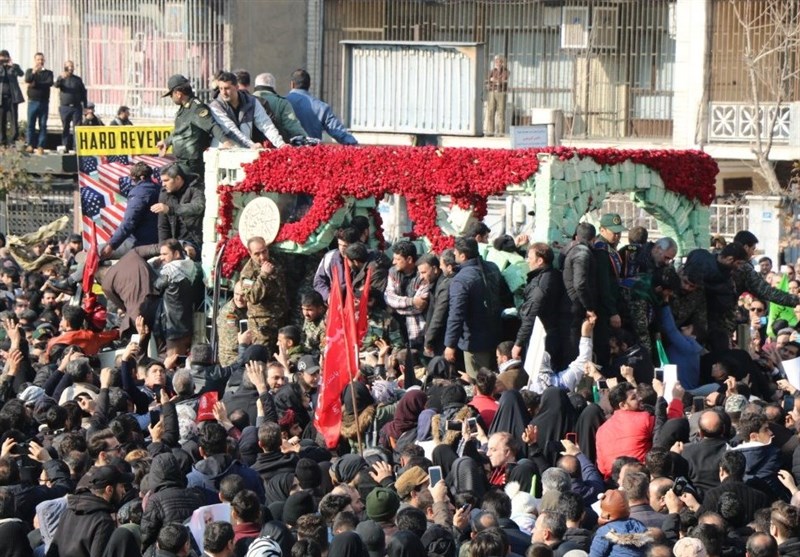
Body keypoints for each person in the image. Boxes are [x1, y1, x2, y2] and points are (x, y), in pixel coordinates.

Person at [46, 466, 129, 557]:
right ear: (109, 490)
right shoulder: (103, 521)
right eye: (121, 486)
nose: (124, 491)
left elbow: (53, 551)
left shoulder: (69, 511)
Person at [157, 74, 229, 176]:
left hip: (192, 165)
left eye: (171, 94)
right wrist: (167, 141)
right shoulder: (184, 109)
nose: (171, 98)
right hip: (182, 162)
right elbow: (182, 130)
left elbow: (212, 126)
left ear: (178, 93)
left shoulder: (196, 108)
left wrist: (226, 142)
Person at [444, 237, 496, 378]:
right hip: (495, 334)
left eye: (456, 253)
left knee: (478, 382)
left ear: (463, 255)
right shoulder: (492, 268)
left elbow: (456, 313)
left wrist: (450, 344)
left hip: (474, 340)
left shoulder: (461, 279)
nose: (453, 255)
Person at [208, 71, 286, 149]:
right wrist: (251, 145)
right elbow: (231, 130)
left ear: (237, 87)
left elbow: (266, 125)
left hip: (245, 151)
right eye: (221, 88)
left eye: (227, 88)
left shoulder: (252, 102)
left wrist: (281, 144)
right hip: (223, 152)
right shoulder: (216, 106)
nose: (223, 92)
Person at [594, 382, 655, 478]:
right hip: (640, 479)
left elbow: (602, 468)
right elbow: (665, 432)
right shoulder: (644, 418)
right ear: (622, 405)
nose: (640, 399)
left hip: (612, 482)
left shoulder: (601, 431)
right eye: (633, 398)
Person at [102, 162, 160, 258]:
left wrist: (111, 245)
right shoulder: (158, 188)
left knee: (95, 252)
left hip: (141, 242)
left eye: (133, 178)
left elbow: (129, 222)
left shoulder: (140, 193)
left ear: (141, 177)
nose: (131, 181)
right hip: (156, 239)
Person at [285, 69, 357, 145]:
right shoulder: (321, 107)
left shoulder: (281, 103)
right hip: (313, 153)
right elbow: (339, 132)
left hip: (283, 153)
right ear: (309, 85)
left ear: (292, 84)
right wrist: (356, 147)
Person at [240, 236, 288, 349]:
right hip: (263, 327)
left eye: (264, 251)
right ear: (250, 253)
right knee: (263, 358)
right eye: (257, 254)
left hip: (280, 320)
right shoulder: (248, 273)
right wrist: (263, 276)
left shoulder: (275, 262)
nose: (262, 257)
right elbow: (252, 297)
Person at [153, 162, 205, 248]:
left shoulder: (196, 188)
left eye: (166, 180)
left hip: (196, 240)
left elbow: (198, 207)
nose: (163, 184)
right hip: (175, 241)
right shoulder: (164, 193)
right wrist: (163, 248)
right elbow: (163, 226)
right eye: (162, 181)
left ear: (178, 178)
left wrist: (171, 209)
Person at [253, 72, 308, 143]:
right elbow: (293, 127)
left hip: (251, 149)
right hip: (277, 148)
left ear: (255, 86)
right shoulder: (281, 103)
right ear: (274, 87)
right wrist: (306, 141)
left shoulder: (248, 100)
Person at [24, 52, 53, 154]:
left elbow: (49, 83)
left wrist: (35, 84)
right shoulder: (29, 71)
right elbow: (28, 79)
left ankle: (41, 146)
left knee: (43, 125)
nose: (40, 61)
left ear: (44, 60)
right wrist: (33, 73)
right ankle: (30, 145)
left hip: (44, 102)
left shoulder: (48, 73)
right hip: (32, 102)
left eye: (41, 59)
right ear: (35, 60)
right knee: (31, 124)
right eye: (38, 59)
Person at [54, 60, 86, 151]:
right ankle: (65, 146)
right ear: (65, 67)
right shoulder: (62, 78)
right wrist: (60, 77)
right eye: (69, 66)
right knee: (65, 127)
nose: (70, 68)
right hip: (65, 107)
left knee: (77, 127)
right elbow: (56, 85)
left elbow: (83, 92)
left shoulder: (77, 79)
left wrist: (85, 105)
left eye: (72, 66)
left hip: (76, 107)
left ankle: (76, 147)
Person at [0, 50, 23, 147]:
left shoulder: (14, 67)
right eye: (2, 57)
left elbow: (21, 73)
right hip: (1, 98)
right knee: (1, 120)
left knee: (13, 119)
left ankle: (13, 140)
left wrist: (12, 65)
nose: (4, 59)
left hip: (12, 97)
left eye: (6, 57)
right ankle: (2, 141)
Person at [484, 55, 509, 137]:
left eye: (499, 61)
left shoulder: (506, 71)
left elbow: (503, 81)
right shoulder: (492, 71)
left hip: (501, 92)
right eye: (496, 61)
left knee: (501, 112)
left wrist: (494, 80)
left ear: (502, 62)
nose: (497, 63)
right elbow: (487, 80)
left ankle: (501, 132)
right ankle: (490, 132)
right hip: (492, 92)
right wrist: (493, 82)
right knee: (490, 112)